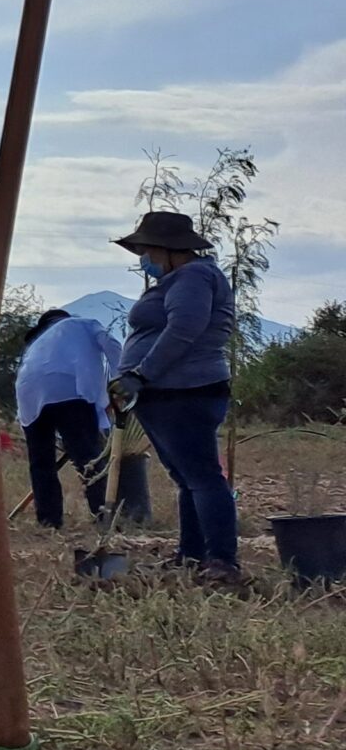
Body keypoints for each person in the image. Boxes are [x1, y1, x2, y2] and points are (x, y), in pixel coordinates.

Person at [110, 211, 240, 580]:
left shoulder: (194, 276)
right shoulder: (179, 278)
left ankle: (222, 561)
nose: (143, 259)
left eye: (146, 250)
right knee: (188, 478)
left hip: (185, 391)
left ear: (168, 249)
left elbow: (184, 329)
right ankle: (192, 554)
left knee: (202, 477)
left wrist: (141, 372)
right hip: (165, 393)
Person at [14, 306, 119, 530]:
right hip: (70, 392)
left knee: (41, 464)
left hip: (29, 397)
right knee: (88, 458)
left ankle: (48, 521)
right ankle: (103, 517)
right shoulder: (83, 324)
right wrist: (122, 380)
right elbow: (112, 345)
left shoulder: (34, 346)